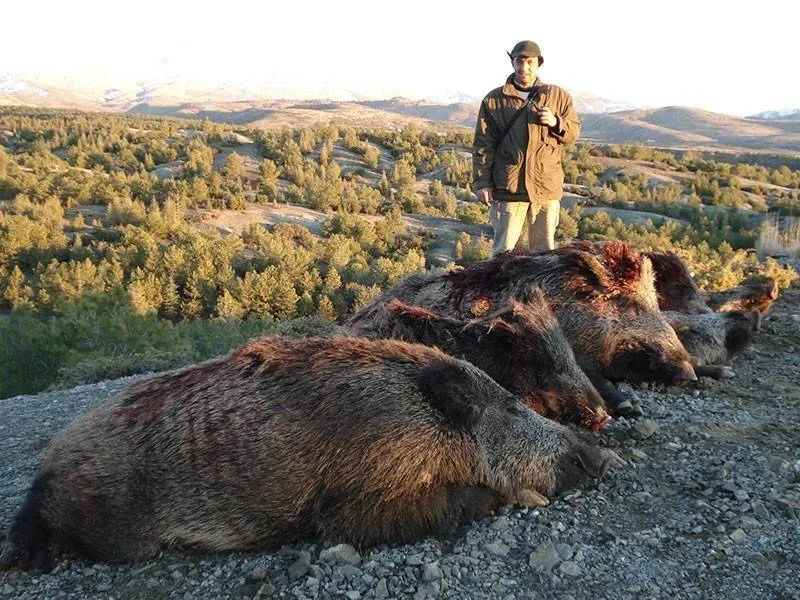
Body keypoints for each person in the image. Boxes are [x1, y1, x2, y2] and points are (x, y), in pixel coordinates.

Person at [473, 40, 580, 255]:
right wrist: (482, 183)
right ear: (512, 63)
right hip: (508, 190)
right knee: (503, 254)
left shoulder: (558, 96)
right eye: (519, 61)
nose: (524, 67)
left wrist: (556, 122)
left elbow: (573, 133)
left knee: (544, 256)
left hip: (545, 190)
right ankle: (499, 290)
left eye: (530, 62)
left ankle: (541, 290)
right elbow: (484, 144)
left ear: (539, 64)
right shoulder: (494, 100)